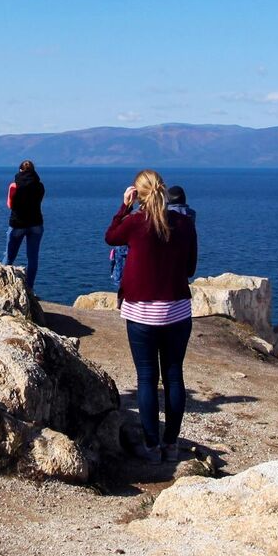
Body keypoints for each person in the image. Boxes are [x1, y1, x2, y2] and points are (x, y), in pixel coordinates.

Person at [105, 169, 199, 463]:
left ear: (138, 194)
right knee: (174, 376)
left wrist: (124, 206)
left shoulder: (135, 223)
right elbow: (191, 268)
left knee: (147, 378)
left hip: (141, 312)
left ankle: (150, 446)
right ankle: (171, 446)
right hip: (177, 312)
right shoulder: (184, 223)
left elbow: (110, 237)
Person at [5, 160, 44, 291]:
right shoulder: (40, 186)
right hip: (36, 223)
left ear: (20, 170)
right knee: (32, 258)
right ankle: (29, 289)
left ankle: (3, 286)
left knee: (9, 257)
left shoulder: (14, 186)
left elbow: (10, 205)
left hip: (18, 223)